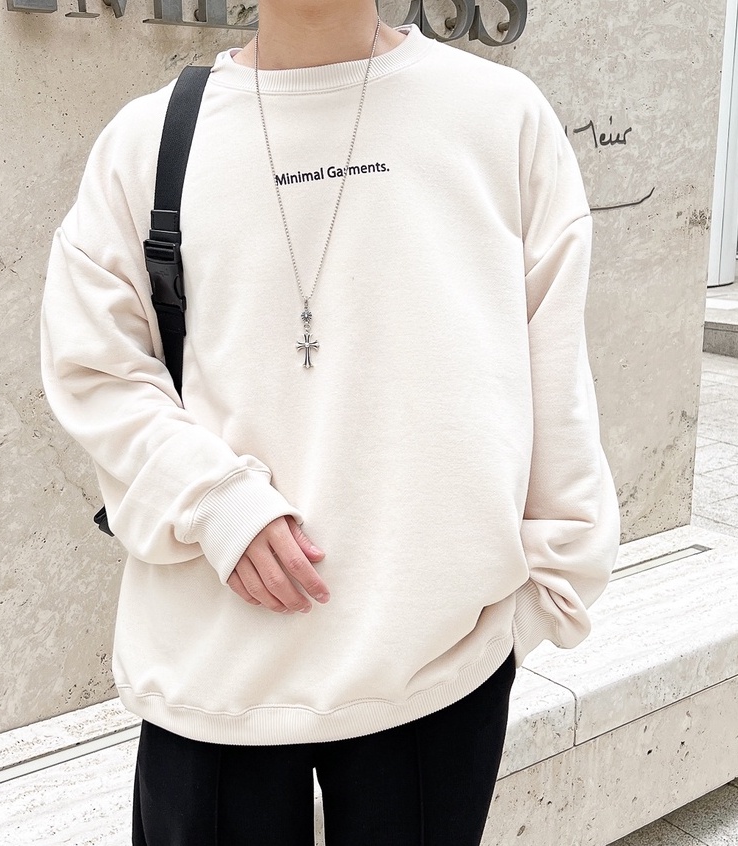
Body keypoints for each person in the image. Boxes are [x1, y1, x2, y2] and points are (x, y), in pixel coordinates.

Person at [40, 1, 621, 843]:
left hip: (438, 667)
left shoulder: (500, 118)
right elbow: (93, 364)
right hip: (213, 671)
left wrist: (543, 595)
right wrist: (215, 500)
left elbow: (554, 373)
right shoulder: (149, 141)